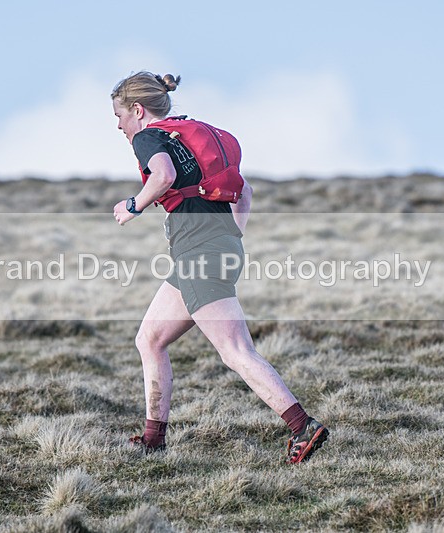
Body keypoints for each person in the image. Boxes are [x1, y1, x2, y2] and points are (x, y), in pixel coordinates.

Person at [111, 71, 328, 464]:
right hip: (215, 245)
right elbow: (243, 190)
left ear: (138, 111)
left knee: (236, 350)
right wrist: (232, 237)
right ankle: (153, 438)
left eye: (119, 117)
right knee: (150, 339)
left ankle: (303, 427)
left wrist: (132, 206)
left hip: (199, 253)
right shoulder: (188, 133)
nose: (120, 127)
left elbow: (164, 175)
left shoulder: (148, 138)